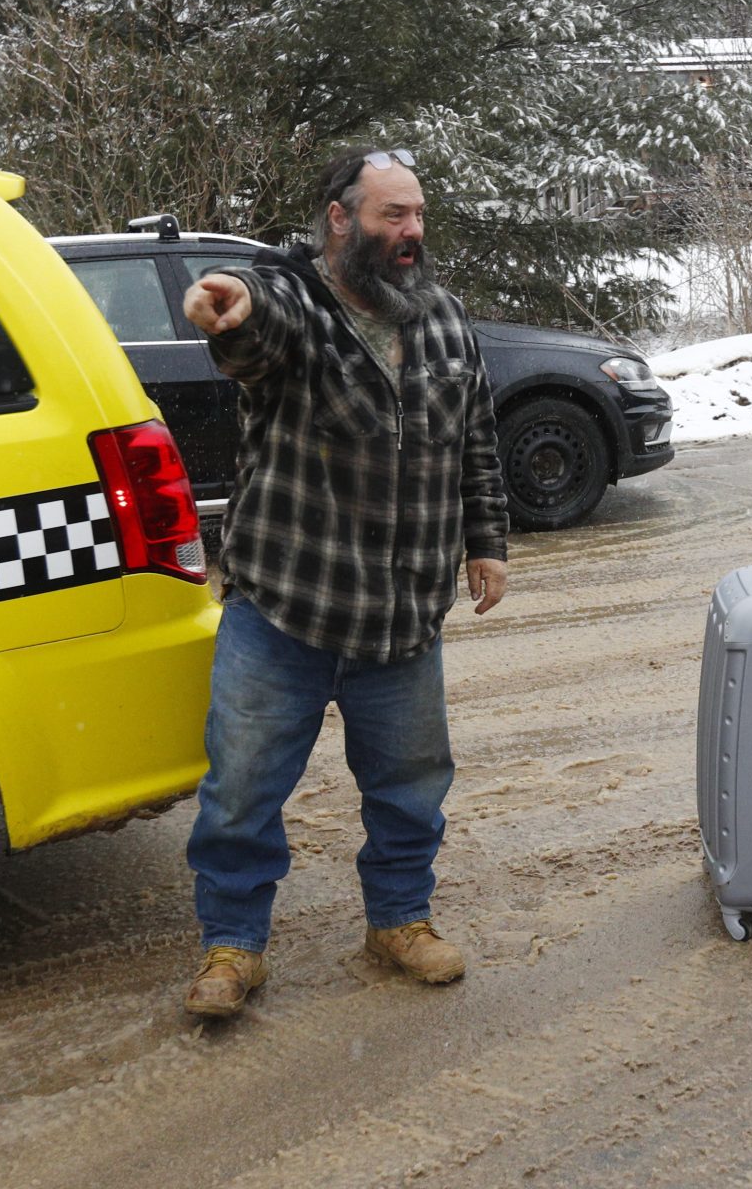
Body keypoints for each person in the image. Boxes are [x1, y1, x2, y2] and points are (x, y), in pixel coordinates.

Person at [176, 145, 510, 1017]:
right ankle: (233, 946)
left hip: (402, 616)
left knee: (410, 786)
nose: (410, 233)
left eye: (418, 217)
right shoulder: (296, 304)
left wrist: (488, 541)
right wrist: (231, 309)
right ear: (339, 219)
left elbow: (474, 434)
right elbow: (258, 324)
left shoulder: (440, 316)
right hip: (285, 604)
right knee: (241, 792)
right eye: (391, 216)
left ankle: (398, 921)